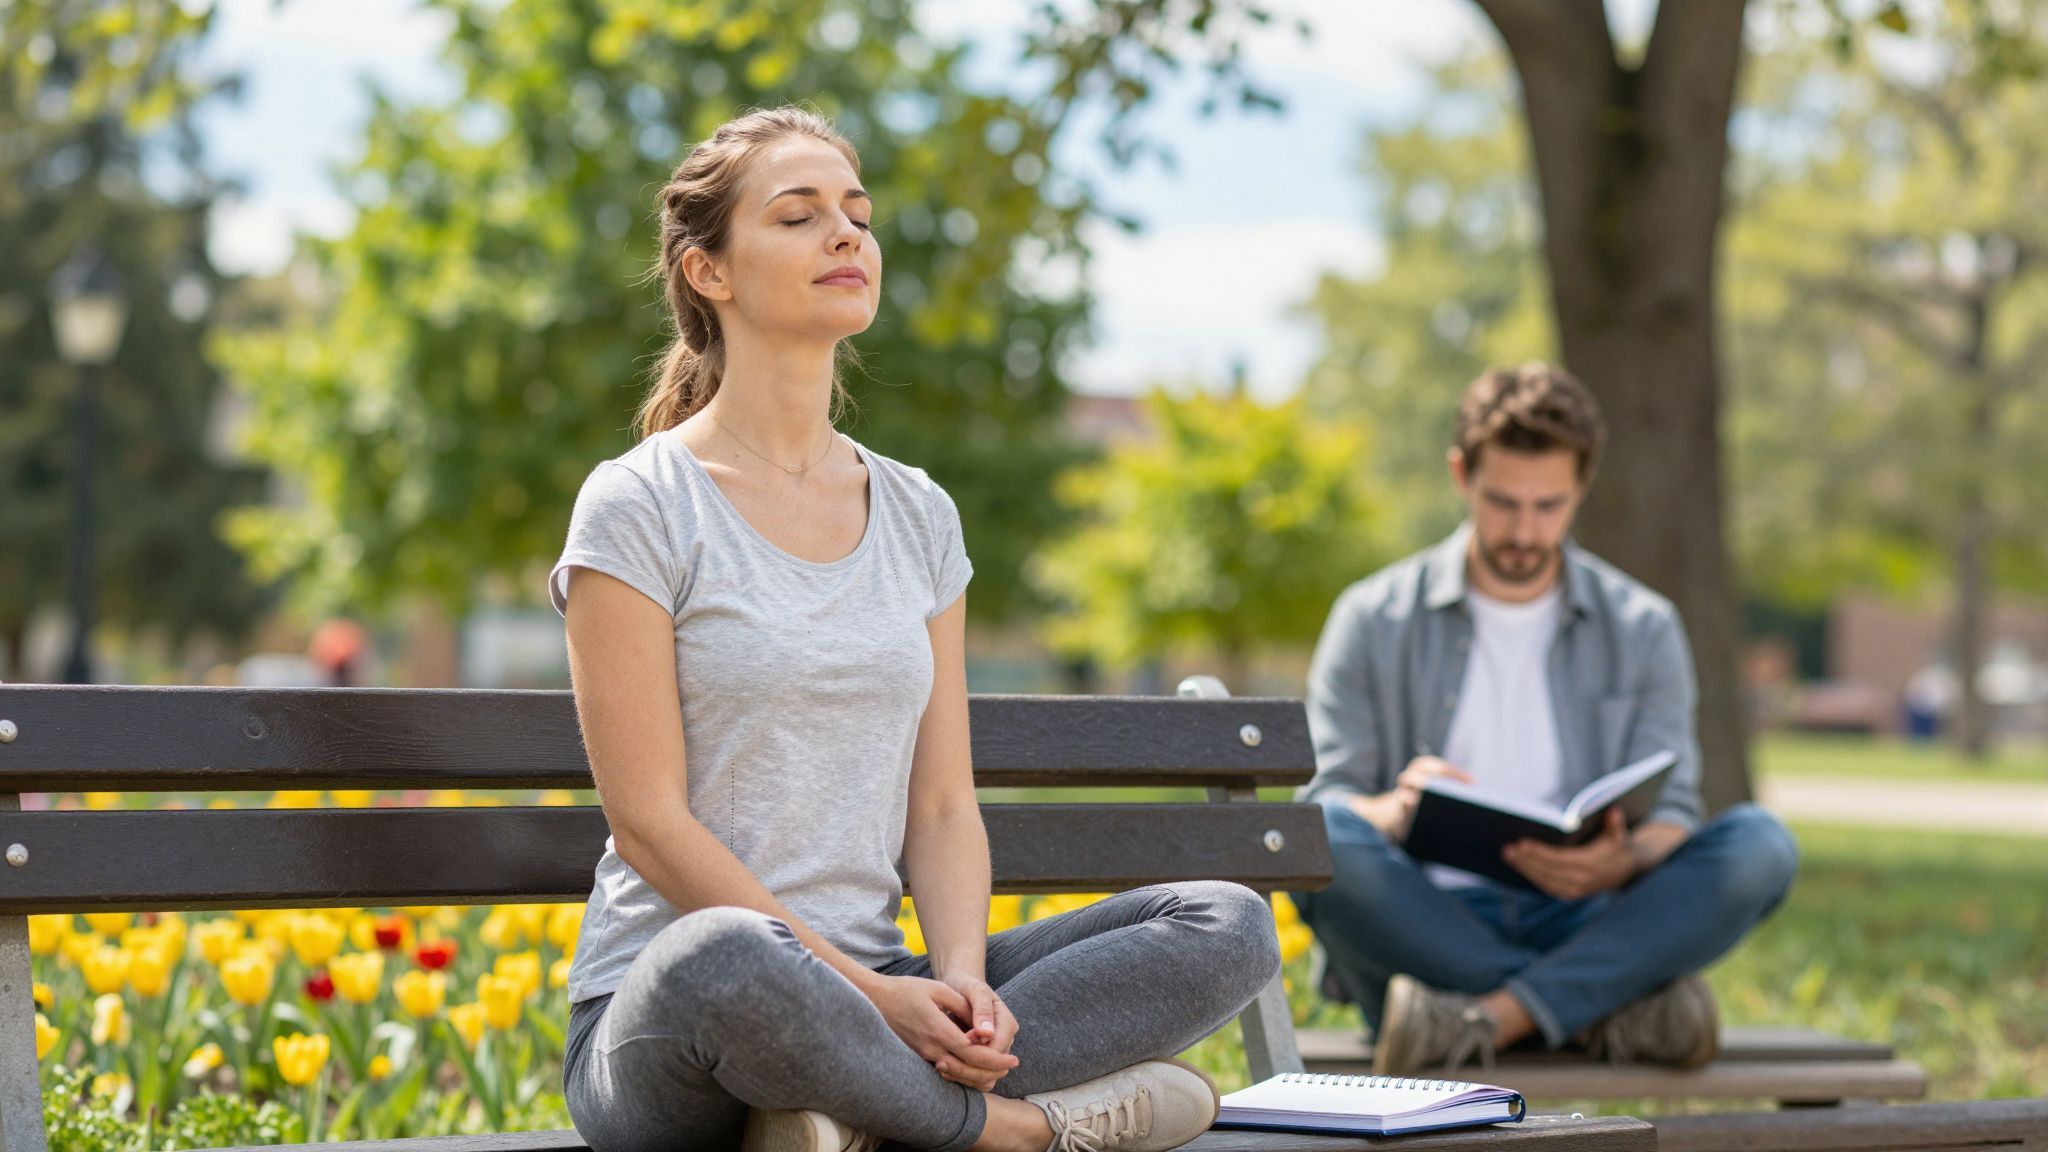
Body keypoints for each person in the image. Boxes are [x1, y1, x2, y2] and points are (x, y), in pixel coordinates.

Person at [548, 106, 1279, 1152]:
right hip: (677, 1014)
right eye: (798, 217)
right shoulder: (639, 505)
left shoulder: (919, 513)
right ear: (707, 272)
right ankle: (1015, 1132)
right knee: (728, 955)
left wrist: (960, 983)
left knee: (1226, 923)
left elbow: (939, 806)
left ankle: (849, 1117)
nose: (846, 236)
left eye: (856, 213)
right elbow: (650, 825)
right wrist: (862, 997)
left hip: (889, 988)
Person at [1292, 363, 1799, 1076]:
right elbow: (1326, 808)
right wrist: (1398, 809)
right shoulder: (1372, 618)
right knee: (1325, 842)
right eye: (1502, 502)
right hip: (1426, 922)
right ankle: (1601, 1011)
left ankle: (1486, 1020)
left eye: (1548, 505)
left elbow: (1674, 813)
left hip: (1582, 918)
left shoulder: (1644, 625)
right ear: (1460, 475)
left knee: (1761, 845)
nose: (1524, 531)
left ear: (1581, 488)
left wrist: (1623, 860)